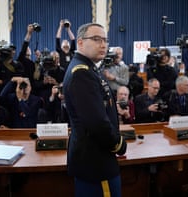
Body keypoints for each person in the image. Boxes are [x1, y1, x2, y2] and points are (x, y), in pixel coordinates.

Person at [63, 23, 127, 197]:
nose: (103, 44)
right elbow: (96, 122)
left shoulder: (89, 68)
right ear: (81, 43)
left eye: (105, 40)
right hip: (96, 161)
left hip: (95, 156)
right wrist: (118, 144)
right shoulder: (81, 72)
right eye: (97, 39)